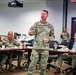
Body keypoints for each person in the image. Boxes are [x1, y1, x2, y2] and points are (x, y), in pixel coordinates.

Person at [28, 10, 55, 75]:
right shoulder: (36, 24)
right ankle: (30, 73)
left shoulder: (50, 26)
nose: (42, 15)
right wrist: (30, 33)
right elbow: (32, 32)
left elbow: (53, 36)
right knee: (33, 62)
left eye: (44, 14)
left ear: (47, 16)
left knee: (43, 64)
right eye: (41, 14)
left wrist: (48, 39)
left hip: (45, 47)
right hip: (36, 47)